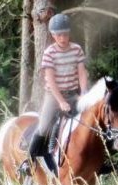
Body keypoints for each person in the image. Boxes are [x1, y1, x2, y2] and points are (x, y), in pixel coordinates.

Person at [28, 13, 89, 173]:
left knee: (90, 120)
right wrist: (61, 101)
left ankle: (95, 158)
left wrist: (83, 92)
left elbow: (82, 72)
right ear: (53, 35)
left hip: (73, 94)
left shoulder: (77, 50)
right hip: (54, 96)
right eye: (59, 35)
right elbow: (51, 80)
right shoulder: (49, 53)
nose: (63, 38)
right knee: (43, 126)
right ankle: (29, 161)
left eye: (65, 34)